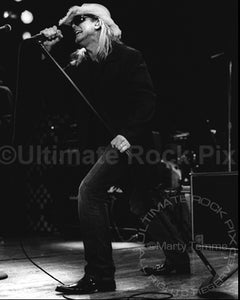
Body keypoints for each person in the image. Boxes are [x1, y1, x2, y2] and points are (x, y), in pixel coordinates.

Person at [40, 3, 190, 295]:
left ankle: (100, 275)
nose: (74, 26)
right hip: (103, 146)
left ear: (99, 23)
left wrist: (128, 134)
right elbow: (57, 96)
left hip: (131, 145)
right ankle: (179, 259)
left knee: (90, 192)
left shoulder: (129, 57)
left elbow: (146, 100)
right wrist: (48, 52)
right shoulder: (82, 64)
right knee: (142, 203)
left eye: (80, 20)